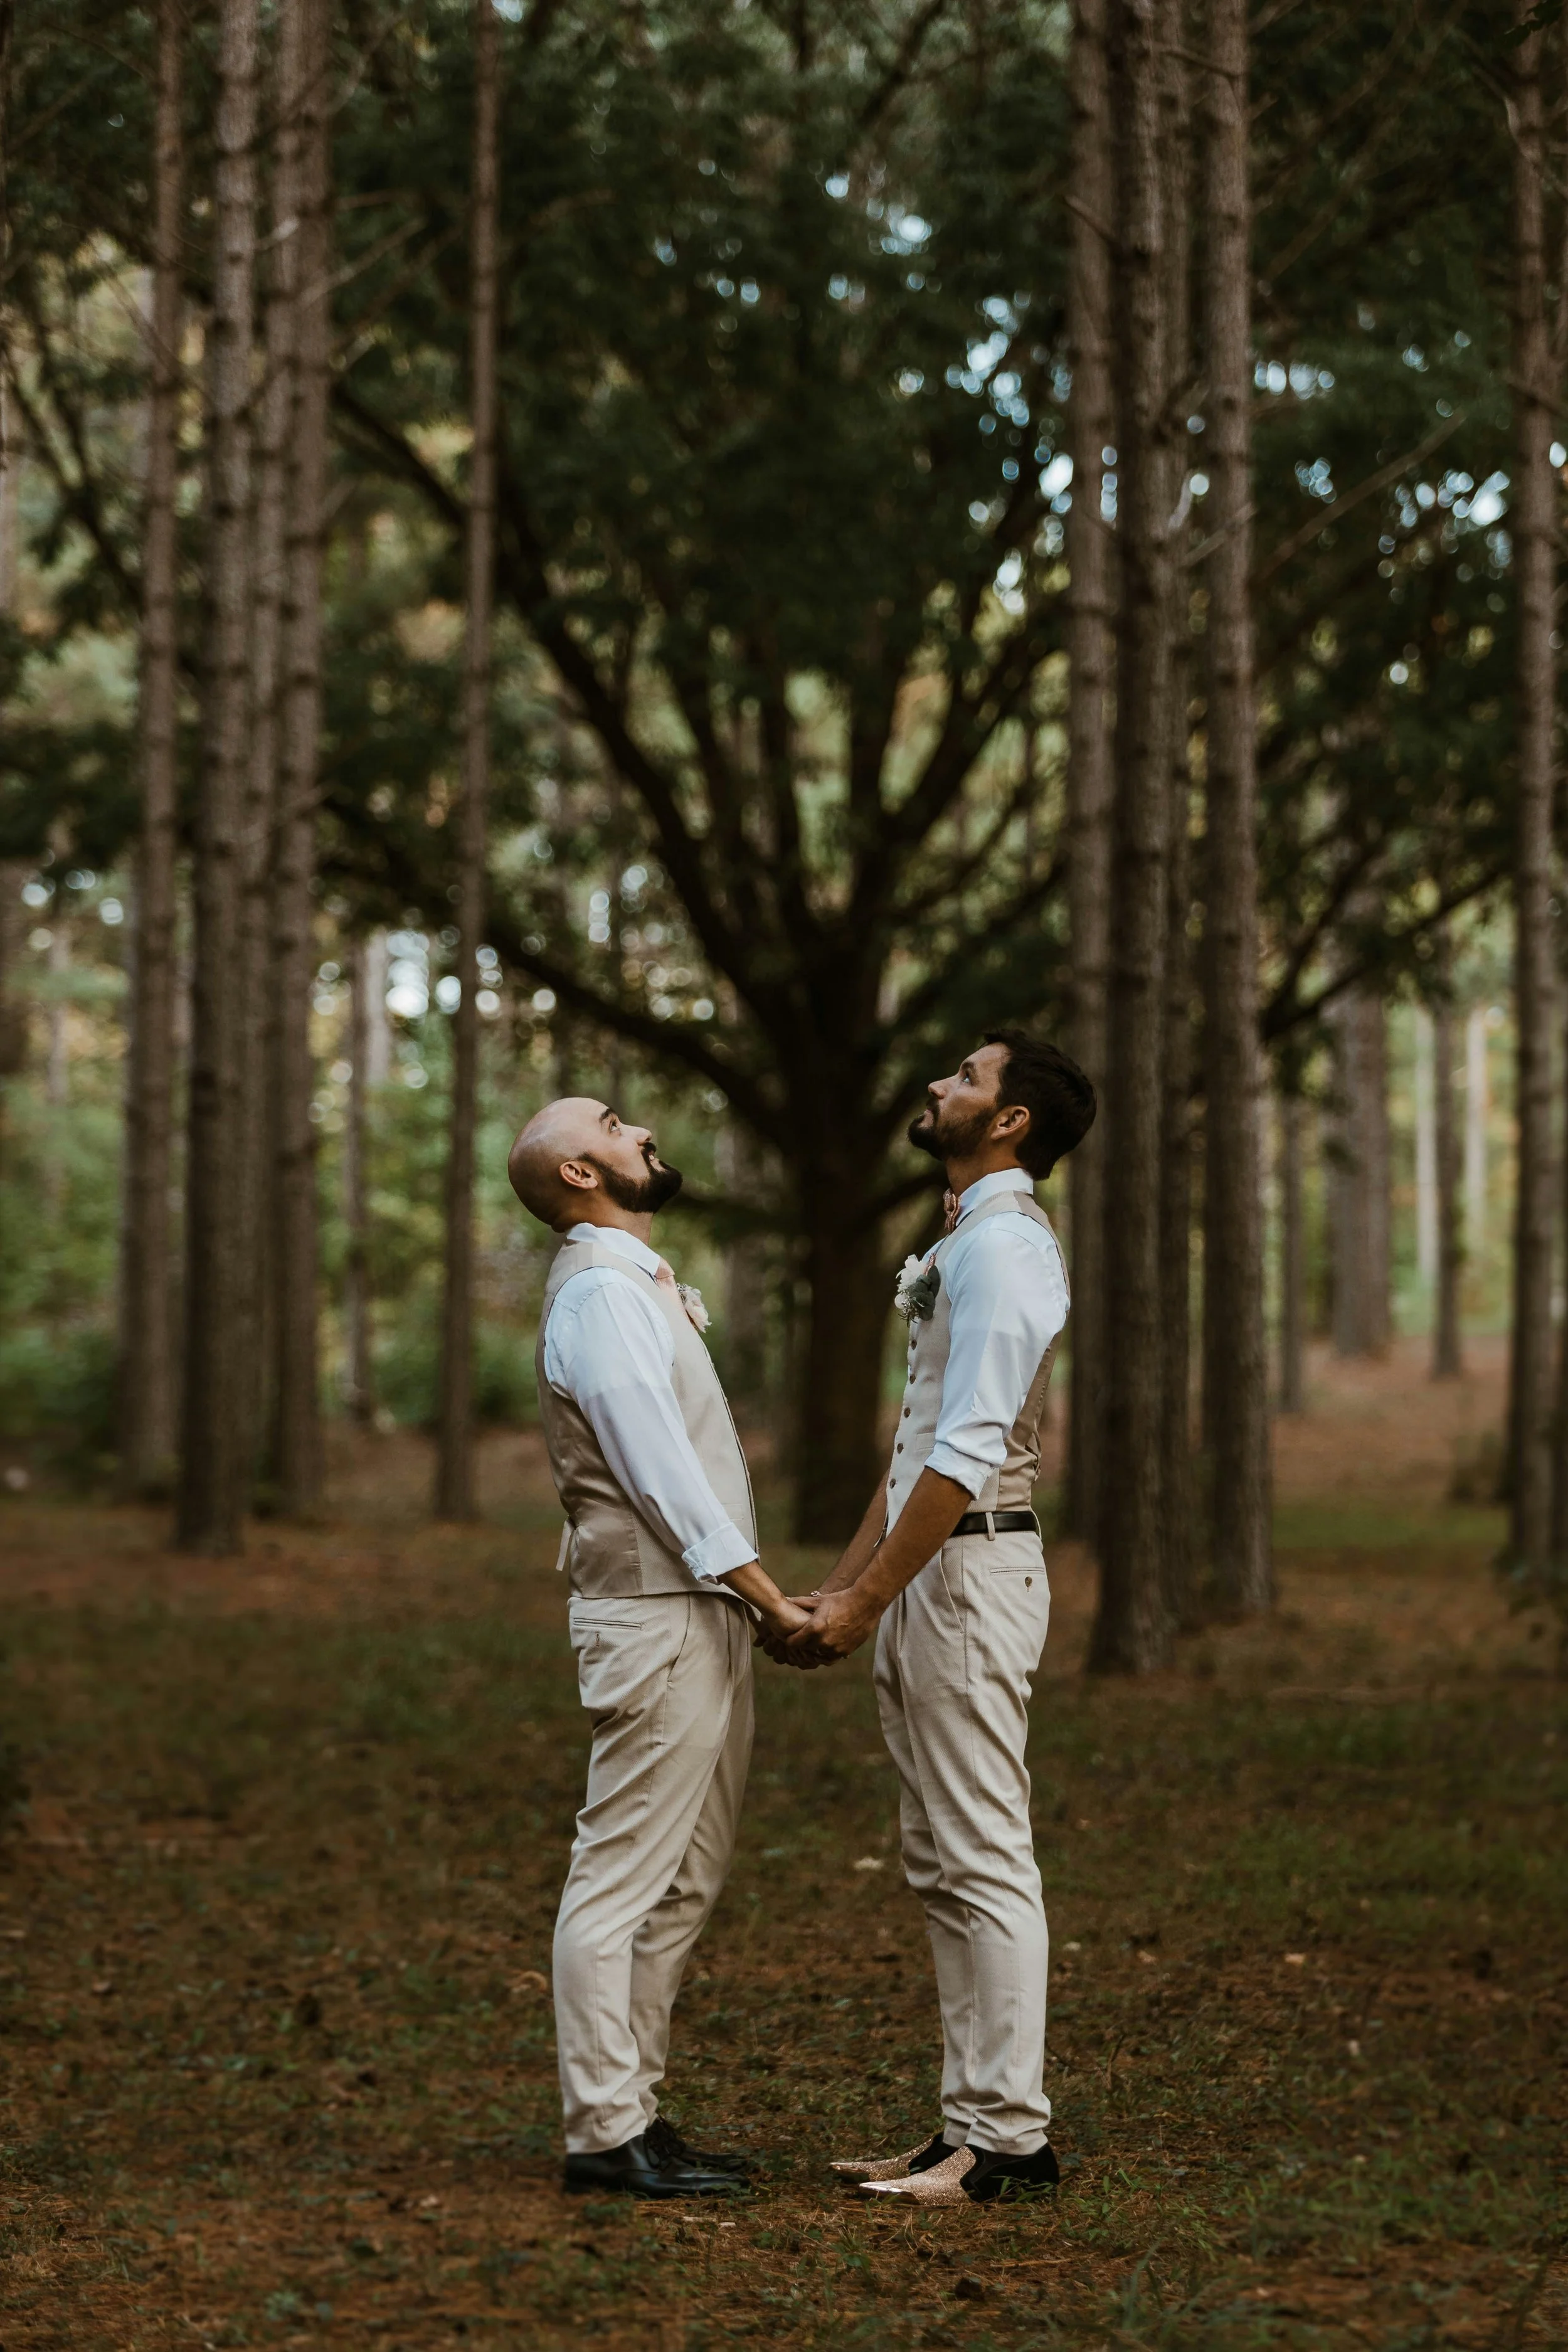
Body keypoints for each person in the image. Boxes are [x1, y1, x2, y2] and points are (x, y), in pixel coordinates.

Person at [783, 1030, 1095, 2206]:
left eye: (967, 1077)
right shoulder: (969, 1240)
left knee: (983, 1852)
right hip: (929, 1572)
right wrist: (845, 1583)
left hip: (971, 1575)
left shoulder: (1009, 1249)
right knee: (938, 1854)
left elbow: (967, 1453)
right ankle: (964, 2127)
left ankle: (1014, 2142)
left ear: (1012, 1121)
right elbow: (912, 1448)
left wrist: (870, 1597)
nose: (939, 1084)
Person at [509, 1097, 810, 2200]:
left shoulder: (630, 1282)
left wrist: (745, 1602)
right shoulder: (596, 1294)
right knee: (623, 1873)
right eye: (619, 1123)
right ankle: (600, 2131)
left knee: (685, 1875)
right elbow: (657, 1471)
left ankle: (633, 2108)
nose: (643, 1131)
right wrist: (769, 1597)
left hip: (700, 1610)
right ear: (583, 1173)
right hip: (658, 1613)